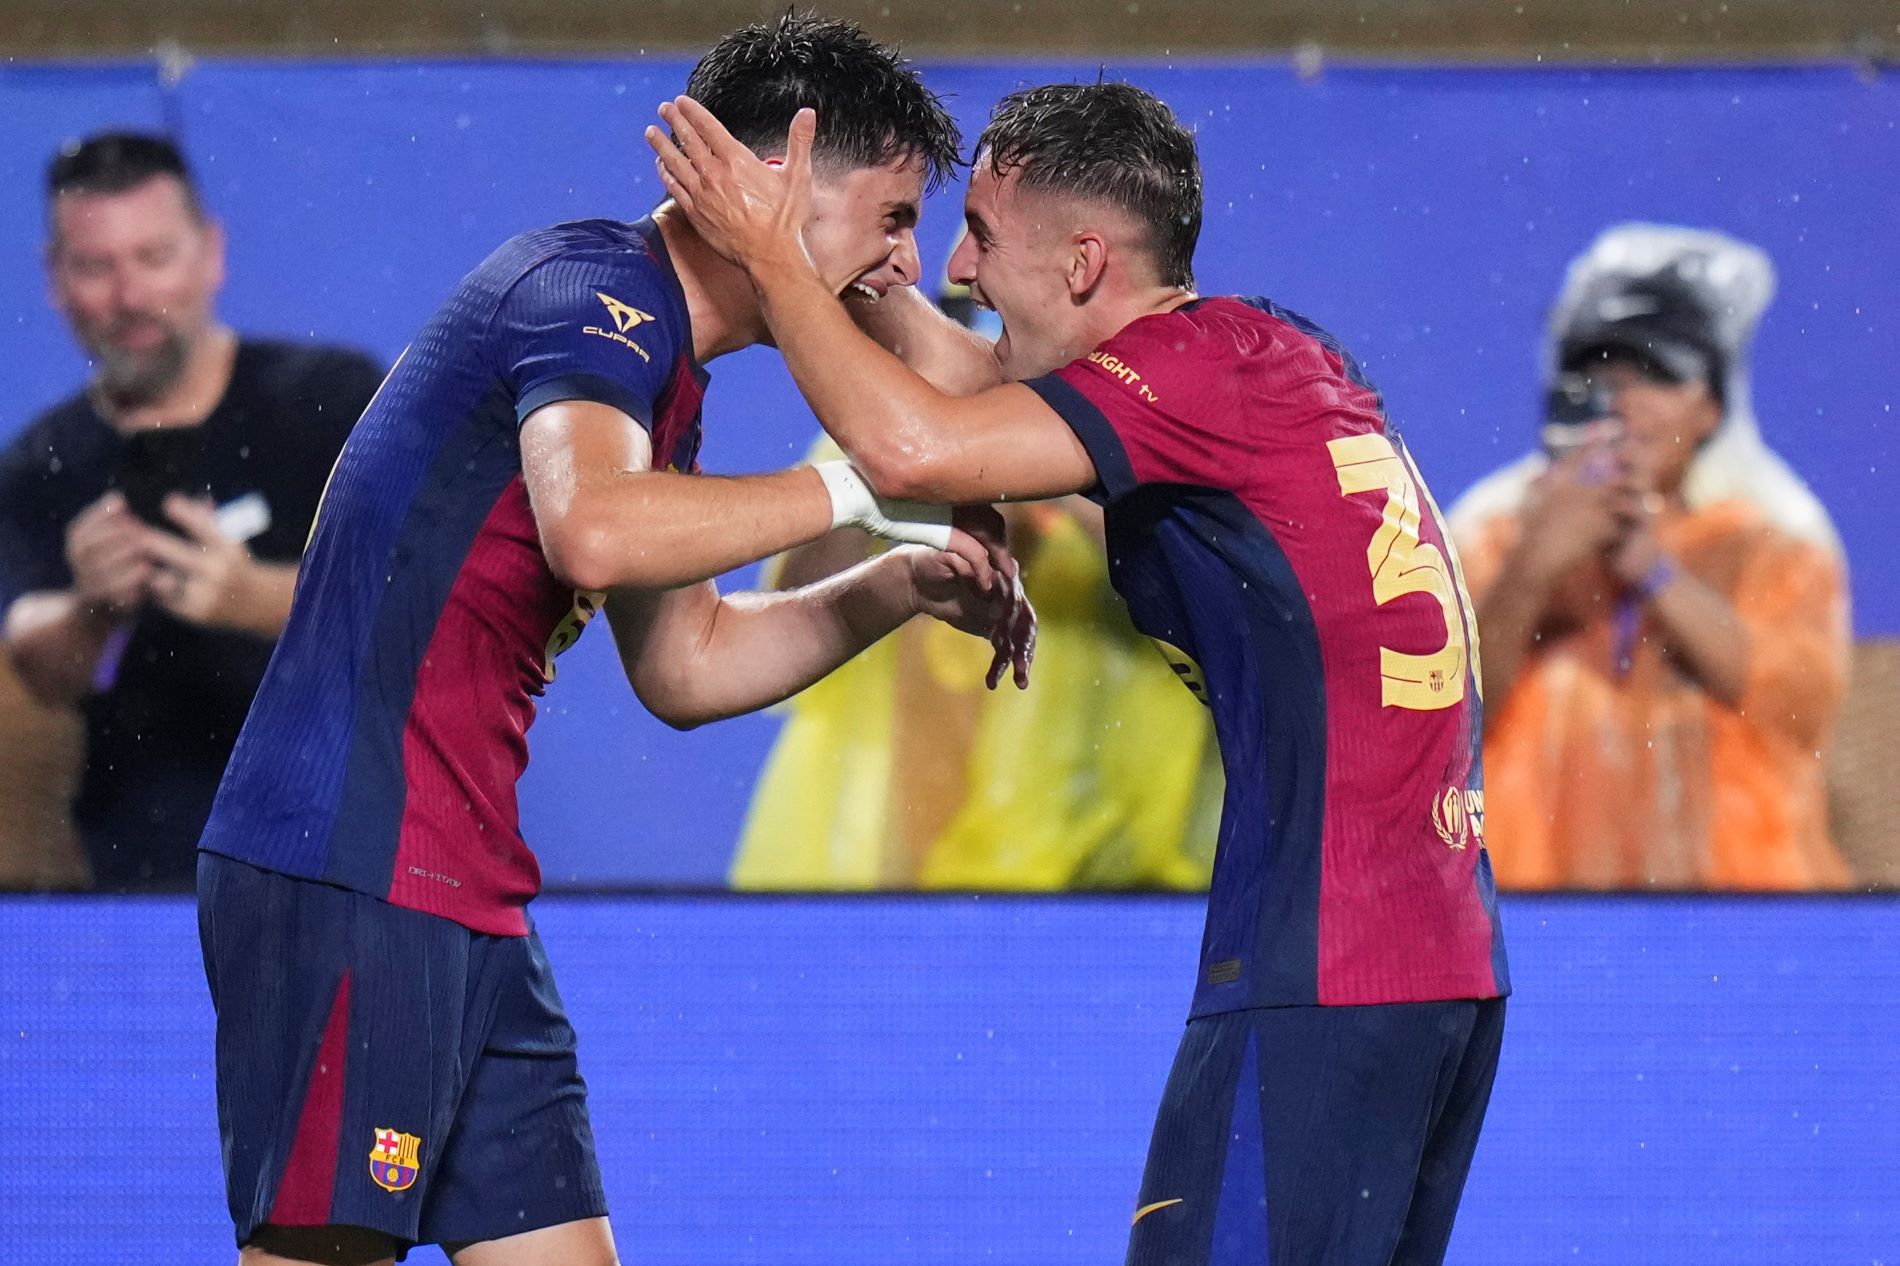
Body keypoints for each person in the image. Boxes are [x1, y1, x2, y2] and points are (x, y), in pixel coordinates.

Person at [192, 17, 1029, 1266]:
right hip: (352, 865)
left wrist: (892, 584)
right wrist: (862, 484)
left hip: (464, 888)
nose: (909, 263)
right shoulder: (592, 296)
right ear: (772, 184)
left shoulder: (660, 369)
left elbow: (685, 666)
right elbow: (593, 532)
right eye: (896, 216)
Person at [651, 80, 1508, 1265]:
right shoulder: (1259, 357)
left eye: (984, 239)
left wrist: (769, 259)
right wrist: (845, 266)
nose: (952, 263)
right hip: (1434, 967)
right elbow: (968, 386)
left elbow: (914, 442)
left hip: (1329, 966)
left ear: (1085, 264)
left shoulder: (1184, 389)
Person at [0, 132, 385, 891]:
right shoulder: (42, 464)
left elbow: (424, 600)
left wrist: (253, 598)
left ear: (211, 253)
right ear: (54, 280)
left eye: (153, 258)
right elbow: (34, 663)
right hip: (142, 883)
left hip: (345, 865)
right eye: (95, 267)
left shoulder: (327, 402)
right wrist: (95, 610)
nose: (130, 296)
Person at [1448, 225, 1852, 890]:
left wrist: (1651, 568)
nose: (1622, 399)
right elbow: (1440, 731)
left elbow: (1794, 715)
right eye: (1596, 373)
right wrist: (1531, 572)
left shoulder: (1777, 546)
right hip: (1530, 915)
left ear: (1711, 409)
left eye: (1656, 373)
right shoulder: (1489, 534)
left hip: (1744, 917)